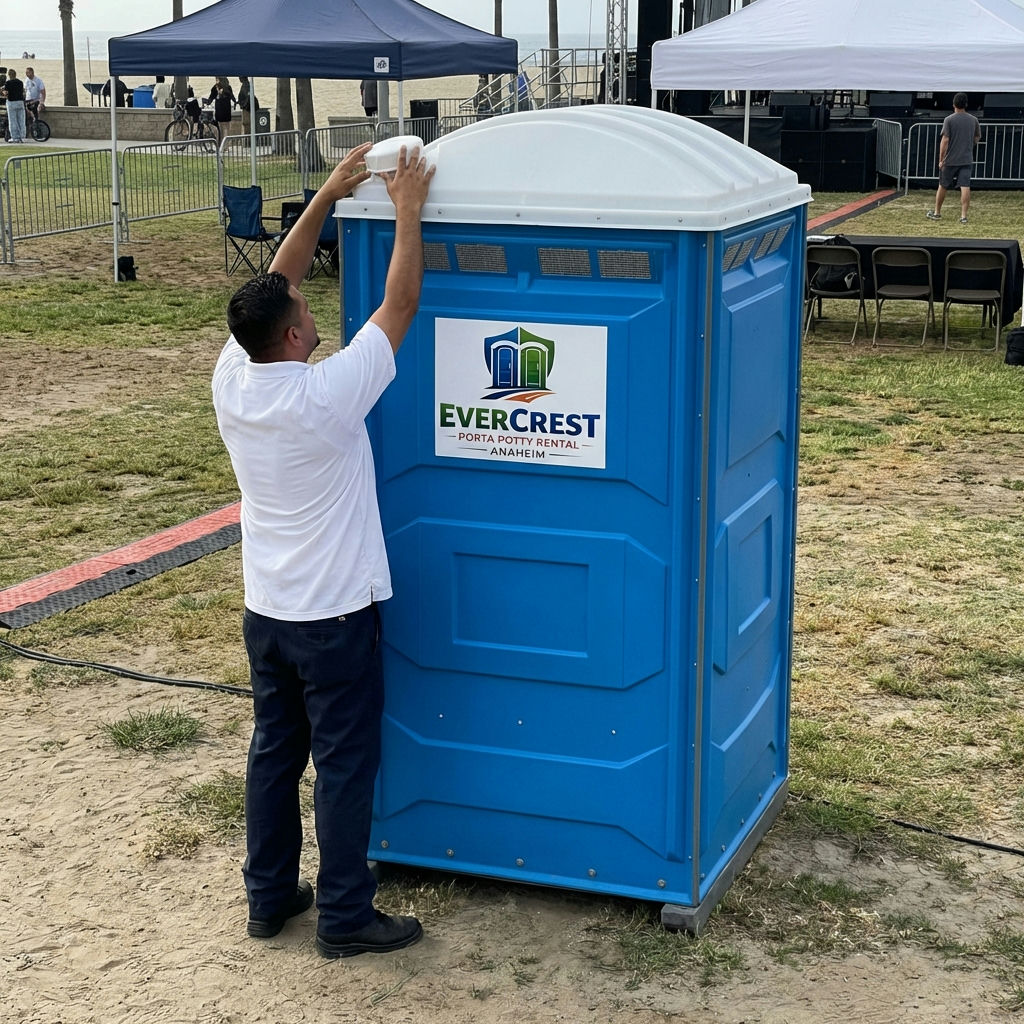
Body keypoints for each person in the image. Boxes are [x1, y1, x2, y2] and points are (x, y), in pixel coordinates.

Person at [213, 142, 436, 959]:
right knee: (343, 766)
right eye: (303, 313)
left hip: (266, 610)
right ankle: (345, 917)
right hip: (334, 619)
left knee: (276, 752)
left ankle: (269, 899)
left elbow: (278, 280)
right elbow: (401, 303)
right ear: (298, 333)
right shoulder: (326, 396)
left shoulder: (234, 379)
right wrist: (407, 205)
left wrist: (334, 193)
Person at [927, 92, 981, 225]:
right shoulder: (973, 120)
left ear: (953, 104)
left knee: (943, 185)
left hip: (950, 159)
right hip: (966, 158)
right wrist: (970, 145)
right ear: (966, 104)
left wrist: (941, 159)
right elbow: (977, 137)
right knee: (965, 186)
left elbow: (945, 140)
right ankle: (963, 216)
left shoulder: (949, 120)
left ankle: (937, 212)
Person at [3, 69, 26, 143]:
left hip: (12, 102)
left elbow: (6, 93)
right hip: (20, 102)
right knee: (21, 120)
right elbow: (22, 91)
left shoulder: (8, 83)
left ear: (9, 75)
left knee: (13, 120)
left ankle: (14, 137)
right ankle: (22, 136)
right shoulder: (20, 82)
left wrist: (3, 92)